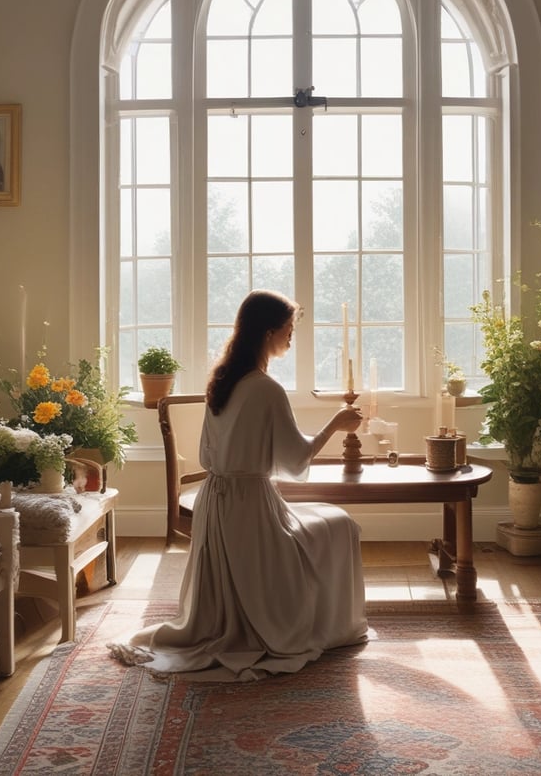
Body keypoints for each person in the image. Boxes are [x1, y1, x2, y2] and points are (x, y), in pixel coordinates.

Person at [108, 290, 367, 680]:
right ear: (269, 332)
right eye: (289, 327)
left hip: (215, 504)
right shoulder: (266, 388)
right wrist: (337, 422)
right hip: (250, 509)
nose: (291, 336)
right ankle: (322, 624)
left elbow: (210, 454)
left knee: (327, 523)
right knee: (340, 524)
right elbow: (296, 462)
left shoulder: (223, 380)